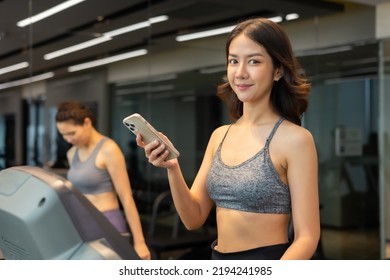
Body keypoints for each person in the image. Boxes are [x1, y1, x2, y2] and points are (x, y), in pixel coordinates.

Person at [136, 17, 320, 260]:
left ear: (278, 70)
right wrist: (172, 167)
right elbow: (194, 218)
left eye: (253, 61)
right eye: (233, 61)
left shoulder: (296, 139)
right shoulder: (220, 136)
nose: (240, 72)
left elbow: (307, 237)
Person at [55, 101, 151, 260]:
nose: (68, 139)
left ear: (87, 122)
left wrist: (140, 242)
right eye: (63, 134)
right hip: (82, 224)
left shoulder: (109, 150)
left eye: (72, 133)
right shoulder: (72, 153)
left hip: (107, 223)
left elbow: (126, 198)